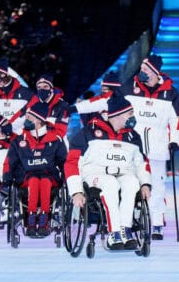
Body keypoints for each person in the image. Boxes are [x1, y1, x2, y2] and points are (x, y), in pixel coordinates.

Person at [65, 96, 152, 251]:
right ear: (118, 115)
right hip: (96, 175)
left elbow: (142, 164)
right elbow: (72, 163)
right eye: (130, 113)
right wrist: (76, 192)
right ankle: (114, 233)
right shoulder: (87, 132)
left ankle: (126, 229)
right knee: (111, 184)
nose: (133, 117)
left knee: (132, 183)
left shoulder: (133, 136)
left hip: (124, 173)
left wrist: (145, 184)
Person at [119, 54, 179, 240]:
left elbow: (177, 120)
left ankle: (157, 224)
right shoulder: (130, 89)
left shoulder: (170, 92)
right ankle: (129, 222)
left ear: (155, 72)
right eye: (142, 69)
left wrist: (175, 140)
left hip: (158, 147)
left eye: (146, 70)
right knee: (131, 184)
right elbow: (115, 108)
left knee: (157, 187)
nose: (142, 72)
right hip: (134, 148)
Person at [0, 102, 67, 237]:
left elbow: (64, 162)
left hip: (50, 176)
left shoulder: (55, 140)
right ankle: (31, 219)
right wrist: (6, 179)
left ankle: (44, 220)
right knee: (34, 180)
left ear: (40, 120)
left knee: (45, 181)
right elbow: (9, 162)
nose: (26, 120)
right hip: (26, 177)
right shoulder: (19, 140)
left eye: (30, 117)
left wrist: (68, 179)